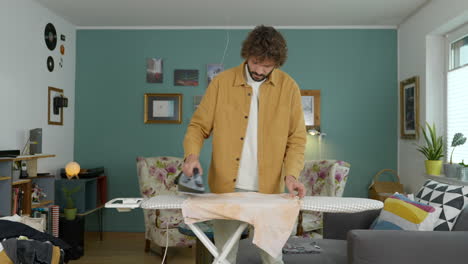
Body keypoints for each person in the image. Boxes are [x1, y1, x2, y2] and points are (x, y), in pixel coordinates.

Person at [182, 25, 307, 264]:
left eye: (267, 65)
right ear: (246, 54)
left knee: (272, 257)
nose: (260, 70)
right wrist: (191, 157)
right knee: (224, 257)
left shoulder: (289, 87)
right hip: (226, 188)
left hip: (268, 190)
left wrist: (291, 176)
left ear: (277, 63)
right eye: (255, 62)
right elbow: (197, 127)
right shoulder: (221, 83)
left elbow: (297, 139)